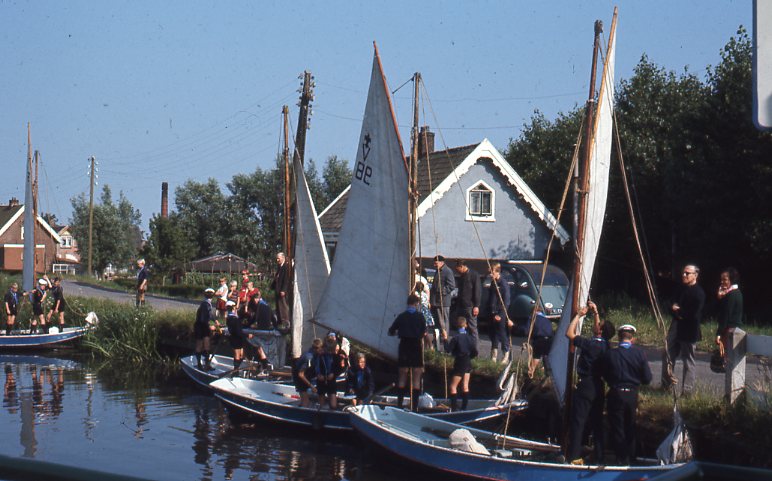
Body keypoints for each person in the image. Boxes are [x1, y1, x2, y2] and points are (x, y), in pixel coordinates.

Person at [565, 301, 615, 465]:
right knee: (597, 422)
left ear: (599, 330)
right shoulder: (607, 346)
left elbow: (569, 333)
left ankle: (574, 457)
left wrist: (578, 316)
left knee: (578, 421)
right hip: (599, 386)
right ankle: (599, 457)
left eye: (599, 325)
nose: (596, 325)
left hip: (586, 385)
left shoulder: (590, 344)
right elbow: (599, 332)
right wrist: (595, 313)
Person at [602, 324, 652, 465]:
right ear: (632, 338)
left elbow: (605, 374)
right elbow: (647, 378)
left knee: (617, 427)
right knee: (630, 426)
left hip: (616, 393)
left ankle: (621, 459)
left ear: (619, 338)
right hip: (632, 394)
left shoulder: (611, 354)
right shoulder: (640, 354)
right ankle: (631, 459)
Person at [662, 264, 705, 396]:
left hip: (689, 329)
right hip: (676, 325)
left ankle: (687, 391)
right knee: (668, 354)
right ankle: (666, 385)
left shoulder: (699, 293)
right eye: (683, 273)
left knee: (688, 360)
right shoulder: (680, 288)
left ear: (695, 275)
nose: (684, 275)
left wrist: (679, 311)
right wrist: (673, 309)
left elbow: (693, 313)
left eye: (687, 273)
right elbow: (670, 303)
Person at [388, 293, 427, 411]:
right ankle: (414, 408)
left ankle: (399, 405)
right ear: (416, 304)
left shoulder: (401, 316)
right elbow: (424, 332)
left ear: (407, 303)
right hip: (416, 346)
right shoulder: (420, 317)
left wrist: (399, 332)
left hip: (404, 345)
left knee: (402, 376)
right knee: (416, 377)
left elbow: (390, 331)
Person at [444, 317, 478, 411]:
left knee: (453, 386)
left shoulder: (456, 338)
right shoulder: (470, 338)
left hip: (460, 362)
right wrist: (469, 357)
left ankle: (454, 409)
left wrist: (445, 339)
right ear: (466, 325)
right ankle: (464, 408)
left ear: (456, 326)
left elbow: (448, 350)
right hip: (468, 362)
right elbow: (475, 352)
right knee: (465, 386)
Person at [716, 267, 743, 361]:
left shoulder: (731, 295)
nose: (722, 282)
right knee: (731, 358)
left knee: (728, 359)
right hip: (735, 329)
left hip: (730, 330)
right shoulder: (737, 292)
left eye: (725, 279)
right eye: (721, 279)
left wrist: (719, 333)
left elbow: (726, 315)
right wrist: (720, 297)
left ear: (732, 280)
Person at [487, 262, 511, 363]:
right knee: (493, 334)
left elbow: (506, 301)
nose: (490, 275)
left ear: (497, 272)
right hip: (492, 312)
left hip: (500, 313)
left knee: (502, 333)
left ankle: (506, 355)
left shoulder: (503, 284)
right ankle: (494, 355)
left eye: (492, 273)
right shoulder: (493, 283)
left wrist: (501, 314)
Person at [454, 259, 482, 345]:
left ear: (462, 267)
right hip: (461, 305)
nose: (457, 271)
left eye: (457, 269)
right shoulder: (461, 276)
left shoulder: (474, 275)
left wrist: (476, 305)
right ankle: (462, 346)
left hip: (470, 306)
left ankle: (475, 348)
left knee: (472, 328)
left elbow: (477, 291)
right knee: (461, 326)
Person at [430, 255, 456, 342]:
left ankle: (445, 339)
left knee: (444, 321)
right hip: (436, 301)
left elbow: (452, 285)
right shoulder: (438, 271)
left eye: (436, 263)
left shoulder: (447, 271)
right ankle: (437, 339)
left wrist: (442, 292)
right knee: (437, 322)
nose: (434, 265)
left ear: (441, 263)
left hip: (443, 302)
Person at [292, 338, 323, 407]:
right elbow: (300, 374)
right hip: (299, 376)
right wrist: (311, 386)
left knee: (305, 398)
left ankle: (301, 404)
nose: (323, 350)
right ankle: (302, 409)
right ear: (317, 349)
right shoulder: (309, 357)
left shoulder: (316, 354)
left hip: (307, 374)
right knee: (306, 401)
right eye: (321, 349)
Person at [194, 288, 219, 370]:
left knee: (203, 344)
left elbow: (209, 314)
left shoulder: (206, 303)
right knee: (204, 344)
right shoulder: (206, 304)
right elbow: (203, 318)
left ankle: (203, 364)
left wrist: (215, 320)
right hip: (201, 326)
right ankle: (202, 364)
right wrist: (209, 326)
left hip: (200, 326)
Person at [526, 305, 554, 376]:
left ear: (533, 312)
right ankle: (548, 374)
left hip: (539, 339)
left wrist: (513, 327)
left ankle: (531, 372)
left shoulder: (532, 318)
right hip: (549, 339)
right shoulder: (547, 319)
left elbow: (526, 331)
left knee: (536, 356)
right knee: (546, 356)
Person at [225, 300, 251, 372]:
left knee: (241, 354)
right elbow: (238, 330)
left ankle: (237, 368)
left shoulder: (231, 317)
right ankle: (235, 370)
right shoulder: (233, 318)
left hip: (236, 337)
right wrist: (246, 335)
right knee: (237, 354)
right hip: (236, 337)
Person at [315, 336, 340, 410]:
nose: (330, 352)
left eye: (331, 350)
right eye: (328, 350)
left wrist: (333, 373)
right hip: (321, 379)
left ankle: (333, 409)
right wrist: (318, 374)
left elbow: (338, 368)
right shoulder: (319, 355)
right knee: (321, 402)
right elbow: (316, 366)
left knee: (333, 404)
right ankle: (321, 410)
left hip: (331, 379)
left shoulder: (336, 356)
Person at [272, 252, 292, 330]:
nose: (277, 260)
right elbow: (277, 277)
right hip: (277, 289)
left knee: (283, 307)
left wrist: (284, 290)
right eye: (277, 258)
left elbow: (286, 279)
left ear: (283, 258)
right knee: (278, 307)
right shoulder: (279, 266)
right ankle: (279, 322)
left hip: (282, 290)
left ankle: (286, 323)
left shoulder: (286, 267)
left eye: (278, 258)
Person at [415, 281, 435, 351]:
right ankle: (427, 347)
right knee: (425, 331)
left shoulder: (416, 294)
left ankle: (428, 346)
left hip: (421, 313)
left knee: (423, 332)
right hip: (427, 313)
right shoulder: (425, 294)